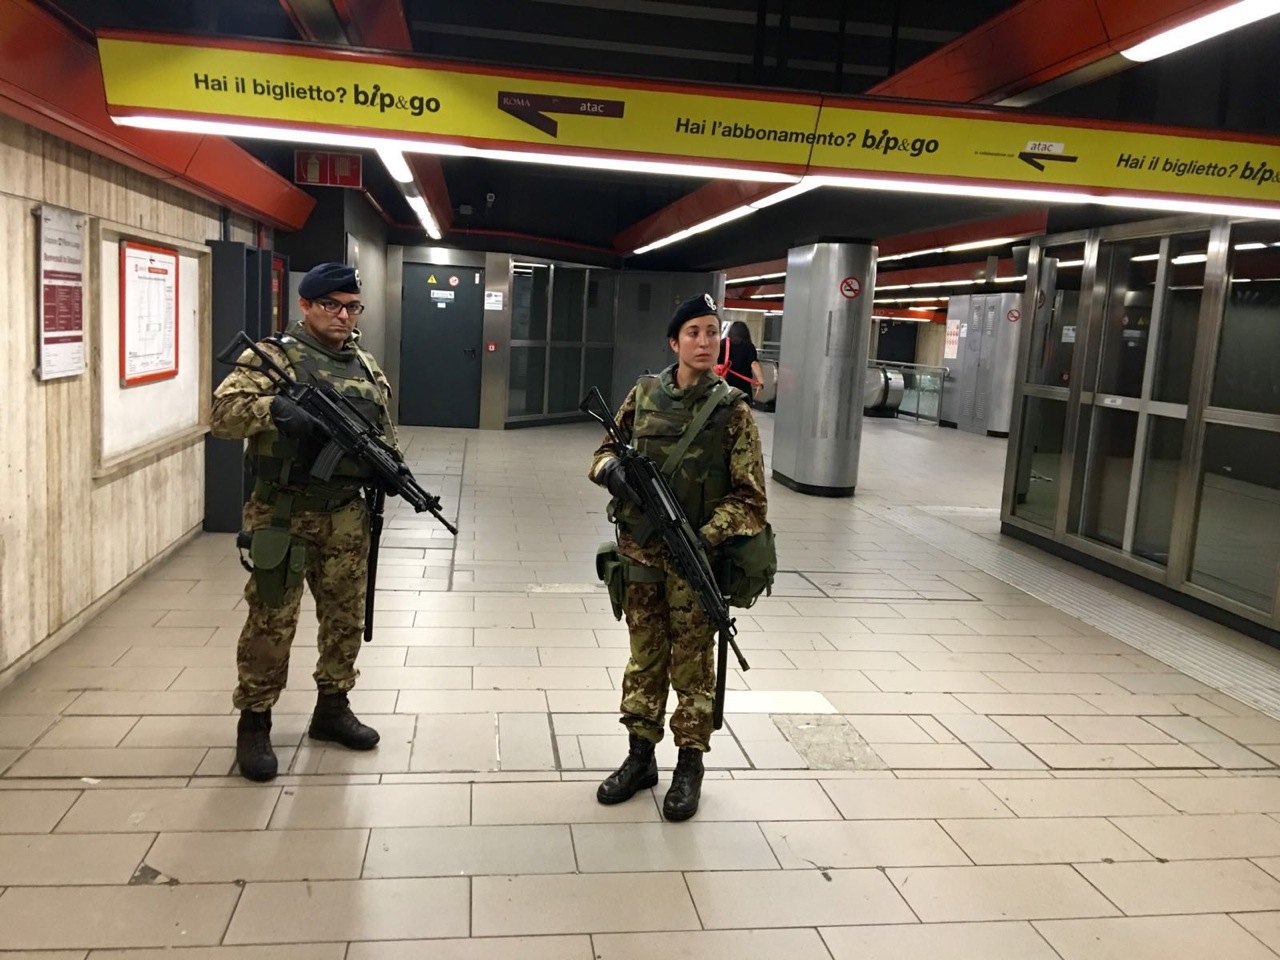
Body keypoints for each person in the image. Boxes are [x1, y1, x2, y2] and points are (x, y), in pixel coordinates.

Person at [211, 262, 399, 782]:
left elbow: (381, 430)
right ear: (305, 305)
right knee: (272, 620)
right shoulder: (272, 356)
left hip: (346, 513)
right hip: (284, 512)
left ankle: (332, 708)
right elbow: (221, 416)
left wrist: (388, 468)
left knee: (344, 617)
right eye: (331, 305)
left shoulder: (364, 363)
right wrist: (274, 409)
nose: (343, 316)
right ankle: (255, 720)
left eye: (352, 307)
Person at [588, 293, 768, 821]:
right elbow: (602, 452)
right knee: (645, 656)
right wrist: (613, 474)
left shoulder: (732, 410)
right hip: (640, 554)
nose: (704, 341)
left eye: (713, 332)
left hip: (696, 562)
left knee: (693, 663)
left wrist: (703, 537)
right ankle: (640, 757)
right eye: (693, 332)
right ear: (674, 342)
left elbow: (751, 499)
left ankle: (690, 764)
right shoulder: (643, 395)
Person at [718, 320, 764, 401]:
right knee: (743, 407)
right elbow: (754, 363)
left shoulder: (723, 344)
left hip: (725, 384)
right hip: (743, 386)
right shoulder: (748, 346)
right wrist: (761, 382)